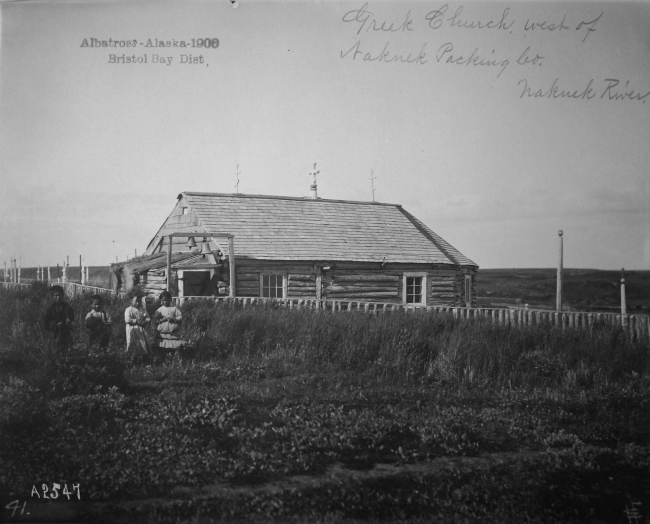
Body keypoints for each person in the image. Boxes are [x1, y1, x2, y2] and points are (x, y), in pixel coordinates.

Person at [43, 285, 75, 355]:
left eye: (60, 295)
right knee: (55, 352)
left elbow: (71, 316)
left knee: (67, 350)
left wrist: (69, 320)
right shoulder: (50, 308)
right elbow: (45, 321)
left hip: (65, 332)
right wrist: (55, 324)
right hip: (54, 334)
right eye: (56, 295)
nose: (58, 297)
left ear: (63, 295)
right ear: (52, 296)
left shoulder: (67, 306)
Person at [124, 291, 151, 363]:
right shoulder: (129, 310)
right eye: (136, 301)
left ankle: (145, 360)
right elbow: (127, 319)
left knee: (143, 343)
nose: (138, 303)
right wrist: (136, 321)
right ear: (131, 301)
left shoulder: (142, 309)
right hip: (133, 329)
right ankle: (132, 360)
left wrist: (145, 321)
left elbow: (148, 318)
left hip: (142, 329)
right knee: (134, 343)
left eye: (139, 301)